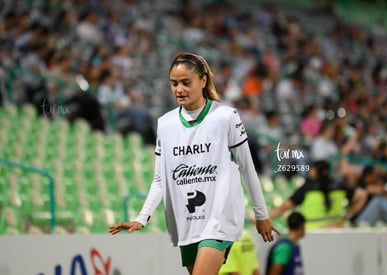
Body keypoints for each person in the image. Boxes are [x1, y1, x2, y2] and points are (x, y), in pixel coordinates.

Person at [109, 52, 280, 275]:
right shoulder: (166, 124)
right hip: (187, 222)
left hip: (219, 220)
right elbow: (161, 179)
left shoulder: (225, 117)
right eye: (174, 83)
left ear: (203, 81)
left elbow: (247, 168)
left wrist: (262, 215)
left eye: (186, 83)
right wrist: (142, 218)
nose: (179, 89)